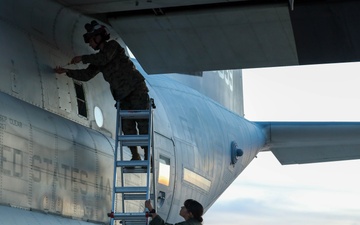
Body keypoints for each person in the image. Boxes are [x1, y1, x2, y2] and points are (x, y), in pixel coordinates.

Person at [54, 20, 149, 161]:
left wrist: (82, 58)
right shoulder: (98, 60)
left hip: (136, 89)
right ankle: (135, 155)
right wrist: (67, 71)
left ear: (98, 37)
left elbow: (103, 58)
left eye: (91, 41)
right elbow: (86, 75)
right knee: (127, 126)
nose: (90, 45)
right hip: (122, 95)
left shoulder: (112, 47)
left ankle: (147, 155)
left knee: (142, 123)